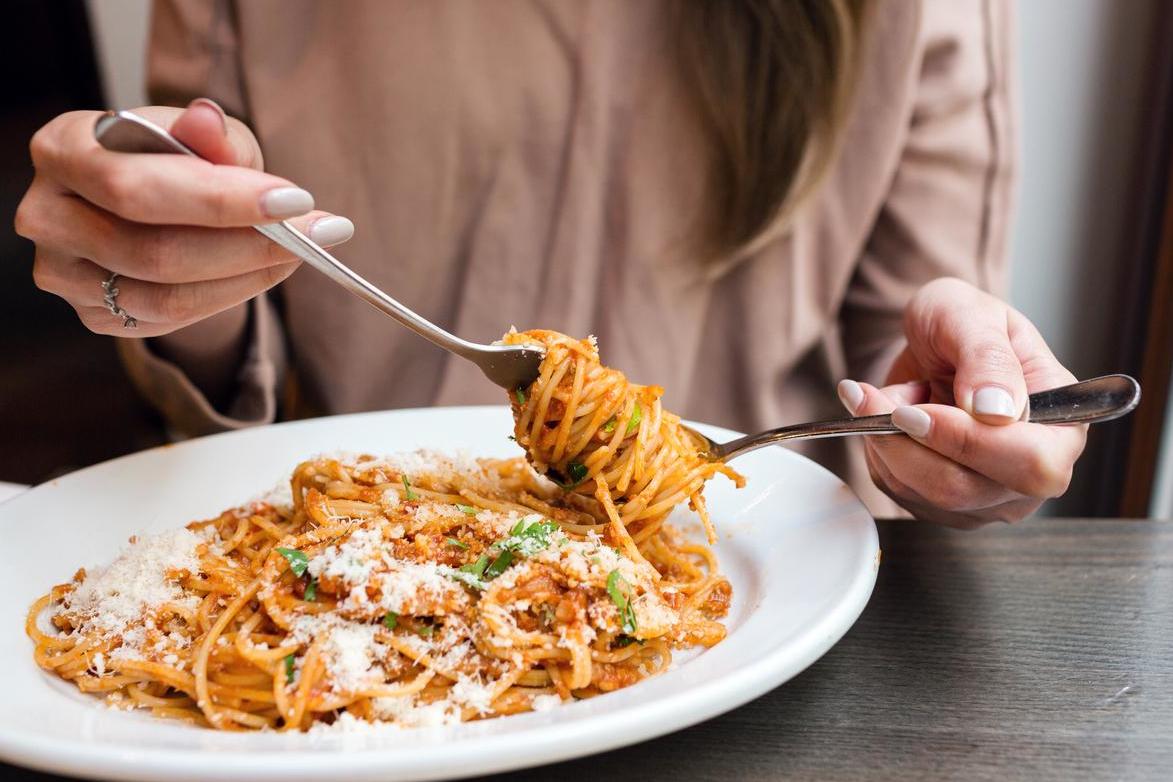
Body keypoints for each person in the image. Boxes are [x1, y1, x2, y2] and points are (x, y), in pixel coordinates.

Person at [14, 0, 1086, 528]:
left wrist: (954, 436)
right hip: (370, 575)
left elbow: (913, 370)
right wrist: (166, 266)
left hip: (757, 598)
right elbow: (219, 358)